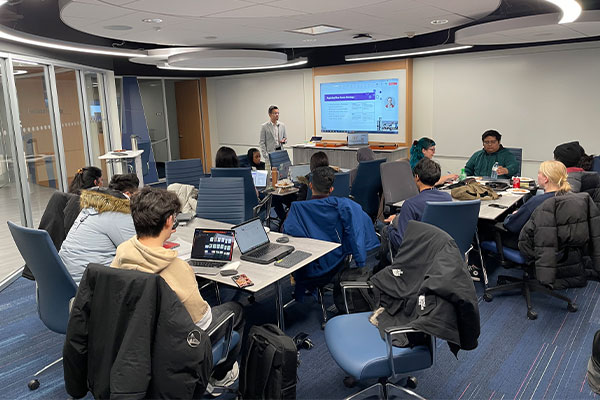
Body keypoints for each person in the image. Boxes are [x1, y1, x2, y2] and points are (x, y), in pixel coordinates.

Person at [111, 187, 244, 393]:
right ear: (168, 222)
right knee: (235, 309)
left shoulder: (123, 253)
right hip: (174, 347)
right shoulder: (177, 268)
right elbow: (202, 322)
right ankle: (220, 376)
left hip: (134, 340)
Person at [59, 173, 139, 285]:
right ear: (127, 195)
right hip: (89, 286)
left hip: (67, 279)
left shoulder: (91, 207)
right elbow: (137, 254)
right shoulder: (118, 212)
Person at [383, 158, 452, 253]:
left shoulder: (410, 204)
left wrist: (391, 226)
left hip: (417, 253)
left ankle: (382, 266)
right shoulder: (447, 198)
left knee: (385, 230)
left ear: (417, 177)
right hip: (440, 249)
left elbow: (401, 242)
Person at [503, 160, 571, 234]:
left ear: (546, 179)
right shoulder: (571, 198)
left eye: (539, 173)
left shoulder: (537, 201)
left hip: (527, 243)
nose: (538, 175)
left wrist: (512, 215)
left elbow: (512, 226)